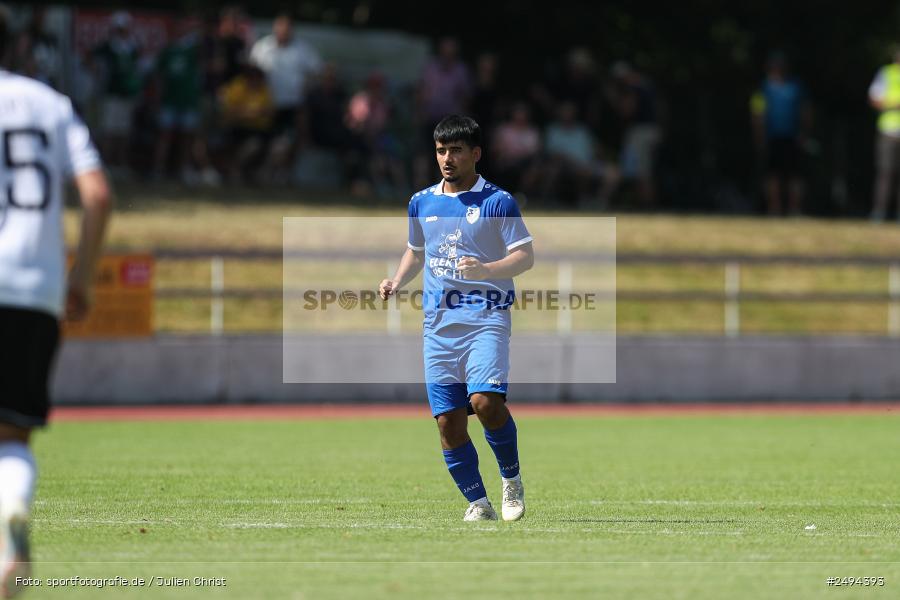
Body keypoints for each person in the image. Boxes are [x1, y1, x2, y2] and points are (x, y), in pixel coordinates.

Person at [0, 15, 113, 597]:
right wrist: (82, 280)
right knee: (12, 438)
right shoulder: (49, 104)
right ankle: (12, 530)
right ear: (15, 44)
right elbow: (96, 194)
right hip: (34, 291)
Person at [378, 115, 532, 522]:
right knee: (447, 421)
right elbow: (416, 250)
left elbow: (524, 255)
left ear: (475, 154)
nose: (447, 158)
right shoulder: (421, 201)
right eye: (441, 151)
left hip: (486, 317)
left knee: (484, 402)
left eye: (456, 150)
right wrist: (396, 280)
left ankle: (511, 478)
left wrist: (487, 270)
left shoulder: (498, 201)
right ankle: (478, 504)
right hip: (438, 326)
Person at [250, 13, 322, 181]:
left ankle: (280, 175)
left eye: (287, 28)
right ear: (275, 28)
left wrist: (305, 88)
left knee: (287, 143)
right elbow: (251, 72)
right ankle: (262, 174)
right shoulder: (263, 47)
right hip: (265, 105)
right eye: (281, 27)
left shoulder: (303, 49)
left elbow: (317, 72)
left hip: (292, 105)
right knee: (264, 142)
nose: (284, 31)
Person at [750, 53, 810, 215]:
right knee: (772, 174)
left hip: (792, 136)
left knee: (795, 175)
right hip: (772, 137)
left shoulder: (796, 86)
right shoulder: (762, 88)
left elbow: (805, 111)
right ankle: (774, 209)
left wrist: (804, 133)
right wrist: (759, 136)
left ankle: (794, 209)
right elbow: (757, 113)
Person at [91, 11, 142, 174]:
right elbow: (89, 58)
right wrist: (97, 72)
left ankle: (120, 164)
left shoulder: (133, 47)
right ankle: (106, 164)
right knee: (109, 130)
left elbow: (137, 69)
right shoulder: (108, 46)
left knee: (124, 131)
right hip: (111, 93)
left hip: (127, 94)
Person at [868, 46, 900, 222]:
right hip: (888, 130)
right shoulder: (886, 73)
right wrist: (893, 105)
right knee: (885, 173)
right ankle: (879, 213)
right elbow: (874, 99)